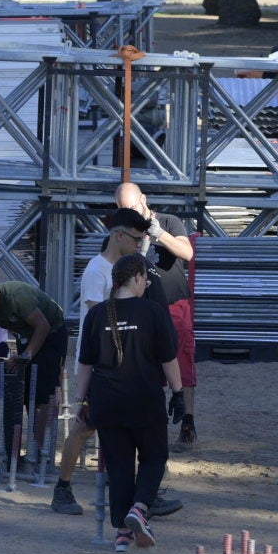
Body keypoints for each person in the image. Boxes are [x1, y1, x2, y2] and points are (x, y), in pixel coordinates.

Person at [51, 208, 175, 516]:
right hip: (100, 364)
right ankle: (62, 488)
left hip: (117, 364)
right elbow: (98, 320)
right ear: (118, 235)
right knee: (84, 427)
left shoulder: (124, 267)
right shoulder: (98, 270)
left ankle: (142, 493)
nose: (138, 245)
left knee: (121, 430)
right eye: (135, 238)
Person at [75, 253, 184, 551]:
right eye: (145, 279)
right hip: (144, 397)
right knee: (153, 457)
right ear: (136, 277)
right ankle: (139, 508)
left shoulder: (97, 315)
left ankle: (122, 532)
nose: (146, 284)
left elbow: (85, 363)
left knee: (119, 465)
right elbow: (168, 358)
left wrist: (80, 401)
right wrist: (178, 393)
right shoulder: (152, 311)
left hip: (105, 400)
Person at [116, 181, 200, 449]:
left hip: (174, 303)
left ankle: (188, 420)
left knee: (182, 359)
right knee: (144, 363)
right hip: (139, 307)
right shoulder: (122, 231)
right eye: (122, 209)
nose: (130, 213)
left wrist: (158, 234)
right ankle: (149, 420)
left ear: (144, 199)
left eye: (132, 207)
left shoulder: (169, 221)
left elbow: (186, 252)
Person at [0, 273, 68, 466]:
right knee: (25, 392)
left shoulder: (16, 295)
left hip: (52, 332)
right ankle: (34, 448)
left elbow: (43, 326)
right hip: (26, 336)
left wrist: (26, 356)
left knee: (42, 392)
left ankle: (41, 453)